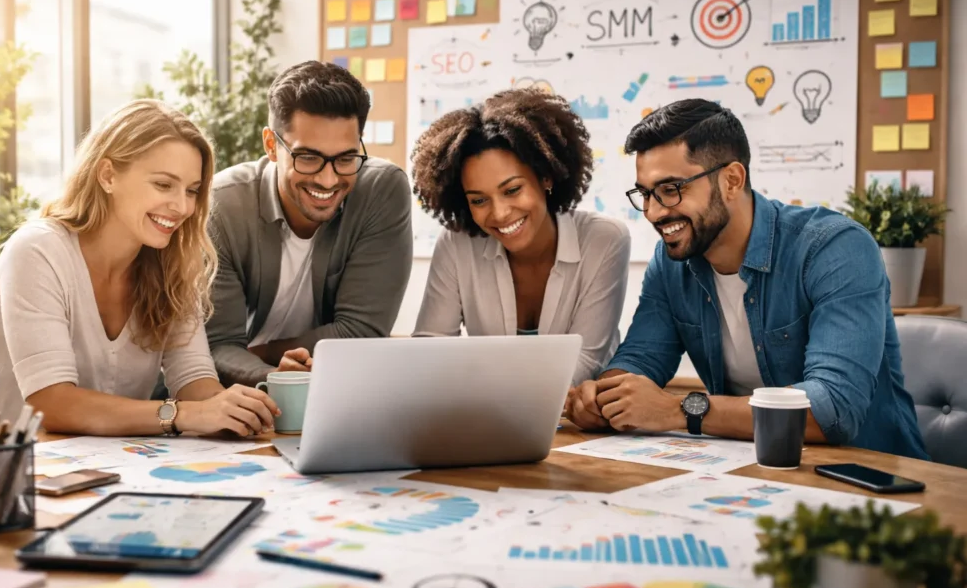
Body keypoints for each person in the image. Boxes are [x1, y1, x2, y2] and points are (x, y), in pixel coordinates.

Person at [566, 98, 929, 460]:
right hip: (745, 471)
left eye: (671, 189)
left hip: (868, 477)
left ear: (732, 180)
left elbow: (832, 408)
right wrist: (602, 399)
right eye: (645, 194)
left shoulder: (834, 248)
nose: (654, 212)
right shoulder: (673, 260)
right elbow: (642, 357)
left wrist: (681, 410)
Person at [0, 100, 280, 441]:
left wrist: (230, 408)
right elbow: (53, 403)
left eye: (192, 190)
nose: (182, 207)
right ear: (107, 175)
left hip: (98, 458)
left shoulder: (172, 262)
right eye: (164, 185)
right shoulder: (37, 251)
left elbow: (193, 377)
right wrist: (184, 414)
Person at [205, 61, 413, 386]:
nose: (328, 180)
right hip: (235, 393)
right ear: (272, 145)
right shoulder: (223, 204)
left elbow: (361, 332)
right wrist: (275, 377)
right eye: (308, 157)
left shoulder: (382, 191)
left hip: (335, 387)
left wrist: (260, 352)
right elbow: (217, 347)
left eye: (346, 158)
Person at [410, 88, 631, 387]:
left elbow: (584, 362)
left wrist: (478, 383)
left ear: (546, 177)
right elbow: (429, 350)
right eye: (478, 200)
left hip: (579, 421)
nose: (499, 214)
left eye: (512, 190)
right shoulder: (456, 244)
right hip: (487, 416)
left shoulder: (604, 239)